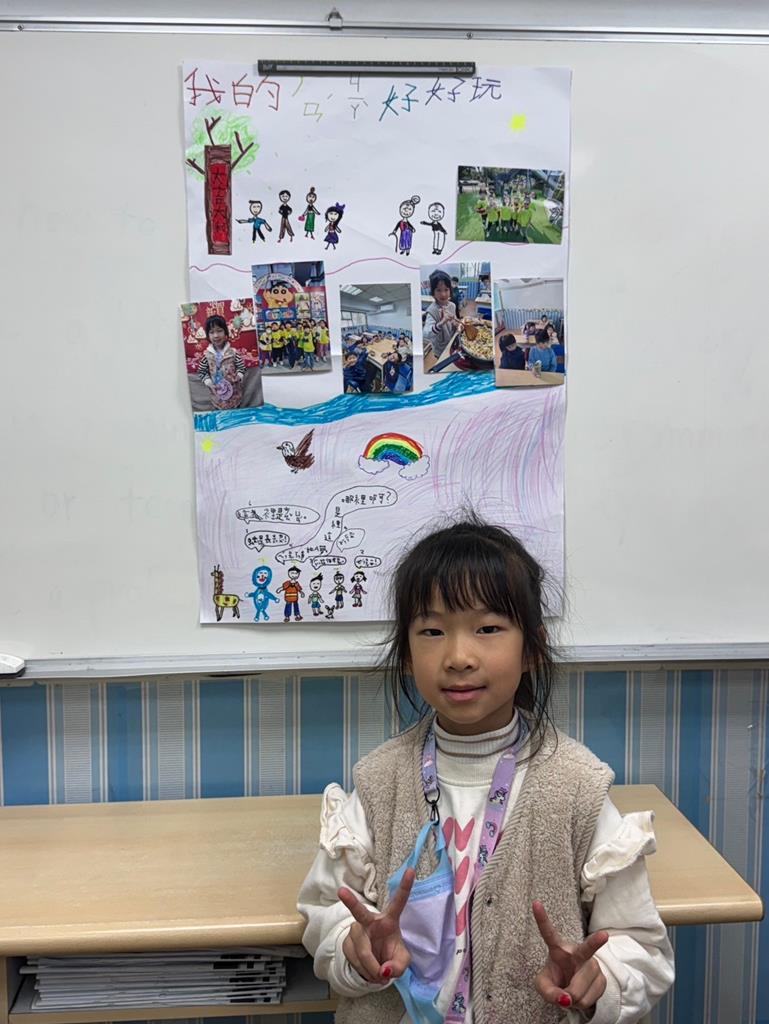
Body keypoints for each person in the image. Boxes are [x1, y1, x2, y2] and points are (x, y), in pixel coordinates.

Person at [298, 517, 675, 1023]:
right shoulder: (378, 781)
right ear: (407, 653)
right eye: (432, 631)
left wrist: (599, 980)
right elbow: (326, 912)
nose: (458, 657)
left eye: (488, 628)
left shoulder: (577, 787)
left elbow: (641, 946)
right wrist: (355, 948)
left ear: (532, 649)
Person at [196, 315, 244, 410]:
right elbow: (202, 372)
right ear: (208, 335)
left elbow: (241, 367)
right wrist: (209, 383)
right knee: (221, 416)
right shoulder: (206, 355)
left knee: (236, 415)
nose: (216, 335)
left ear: (225, 332)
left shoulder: (233, 352)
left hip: (235, 397)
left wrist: (239, 376)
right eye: (212, 332)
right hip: (217, 398)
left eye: (219, 331)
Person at [423, 270, 459, 362]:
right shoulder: (432, 311)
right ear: (433, 293)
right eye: (438, 290)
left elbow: (454, 320)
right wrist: (441, 323)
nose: (443, 294)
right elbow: (426, 333)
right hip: (440, 348)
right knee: (443, 362)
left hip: (452, 342)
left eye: (446, 289)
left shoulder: (452, 305)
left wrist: (455, 323)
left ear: (450, 290)